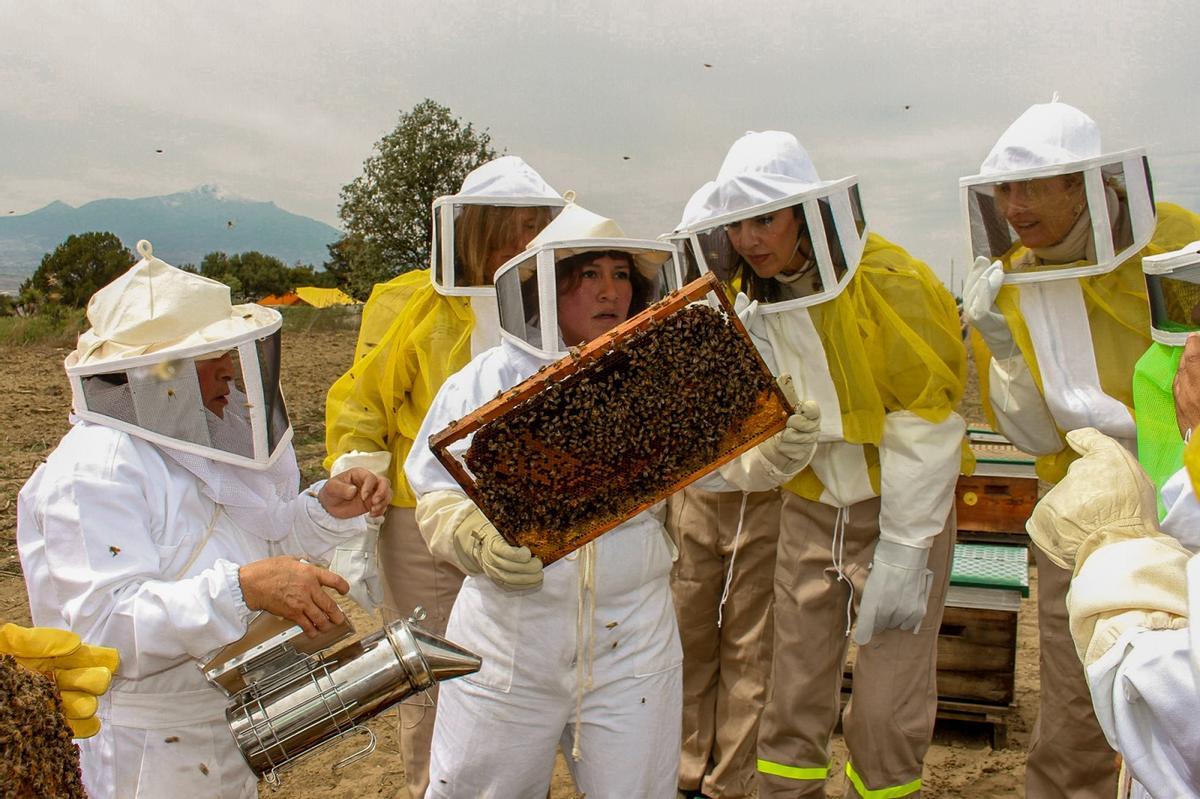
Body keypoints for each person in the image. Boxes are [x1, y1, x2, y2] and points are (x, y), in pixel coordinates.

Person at [404, 203, 822, 798]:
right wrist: (475, 538)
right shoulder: (481, 381)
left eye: (621, 275)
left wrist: (777, 452)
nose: (610, 292)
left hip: (633, 640)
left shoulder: (654, 375)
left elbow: (721, 467)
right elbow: (437, 496)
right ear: (548, 285)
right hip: (511, 640)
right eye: (590, 275)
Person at [17, 241, 391, 799]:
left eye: (227, 349)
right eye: (207, 355)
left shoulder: (206, 441)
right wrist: (244, 590)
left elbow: (254, 539)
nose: (229, 369)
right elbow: (101, 628)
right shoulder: (92, 470)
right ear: (149, 373)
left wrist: (321, 511)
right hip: (144, 750)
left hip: (226, 720)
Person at [675, 131, 968, 798]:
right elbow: (735, 447)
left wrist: (903, 547)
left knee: (886, 704)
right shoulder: (749, 303)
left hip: (899, 510)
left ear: (805, 213)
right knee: (791, 695)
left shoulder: (891, 283)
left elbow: (927, 421)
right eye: (737, 224)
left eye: (765, 219)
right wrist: (776, 452)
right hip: (808, 511)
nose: (750, 240)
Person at [961, 99, 1200, 798]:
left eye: (1031, 186)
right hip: (1085, 511)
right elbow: (1036, 436)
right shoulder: (1009, 280)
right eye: (1004, 189)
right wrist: (1002, 351)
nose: (1013, 206)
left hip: (1184, 493)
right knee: (1076, 708)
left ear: (1083, 185)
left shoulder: (1173, 245)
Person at [323, 155, 563, 799]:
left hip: (525, 515)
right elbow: (361, 402)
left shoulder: (558, 301)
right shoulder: (410, 303)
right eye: (510, 230)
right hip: (422, 517)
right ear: (472, 233)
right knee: (431, 675)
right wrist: (358, 473)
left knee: (519, 669)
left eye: (535, 228)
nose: (524, 244)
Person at [662, 185, 787, 799]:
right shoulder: (663, 323)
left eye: (721, 242)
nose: (717, 255)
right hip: (692, 498)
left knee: (751, 643)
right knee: (687, 635)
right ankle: (687, 770)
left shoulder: (770, 315)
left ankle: (731, 780)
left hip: (763, 499)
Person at [1026, 427, 1198, 799]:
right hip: (1142, 542)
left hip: (1114, 538)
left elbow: (1170, 695)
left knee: (1079, 734)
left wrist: (1117, 543)